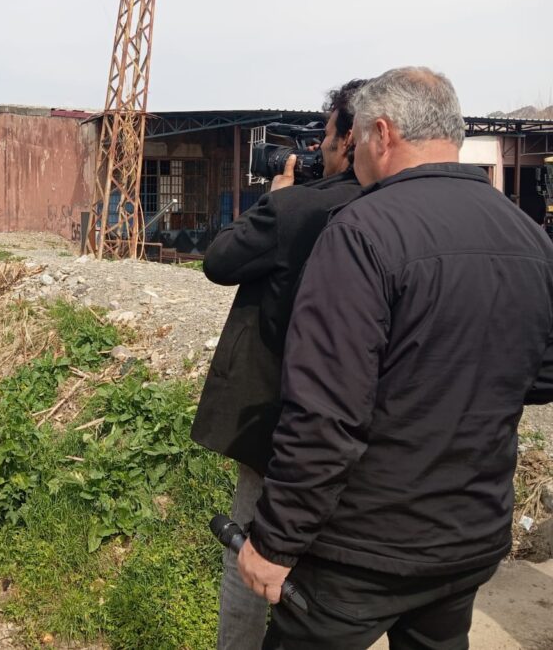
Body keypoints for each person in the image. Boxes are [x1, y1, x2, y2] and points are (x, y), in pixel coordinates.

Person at [238, 67, 553, 649]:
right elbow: (541, 371)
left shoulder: (361, 231)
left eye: (354, 138)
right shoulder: (528, 235)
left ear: (382, 133)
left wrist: (276, 542)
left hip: (360, 553)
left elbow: (326, 413)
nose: (351, 153)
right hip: (468, 539)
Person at [190, 79, 367, 649]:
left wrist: (278, 193)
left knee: (249, 553)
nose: (321, 149)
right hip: (373, 437)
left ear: (353, 137)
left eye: (326, 136)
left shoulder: (299, 209)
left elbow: (220, 261)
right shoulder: (396, 212)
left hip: (281, 420)